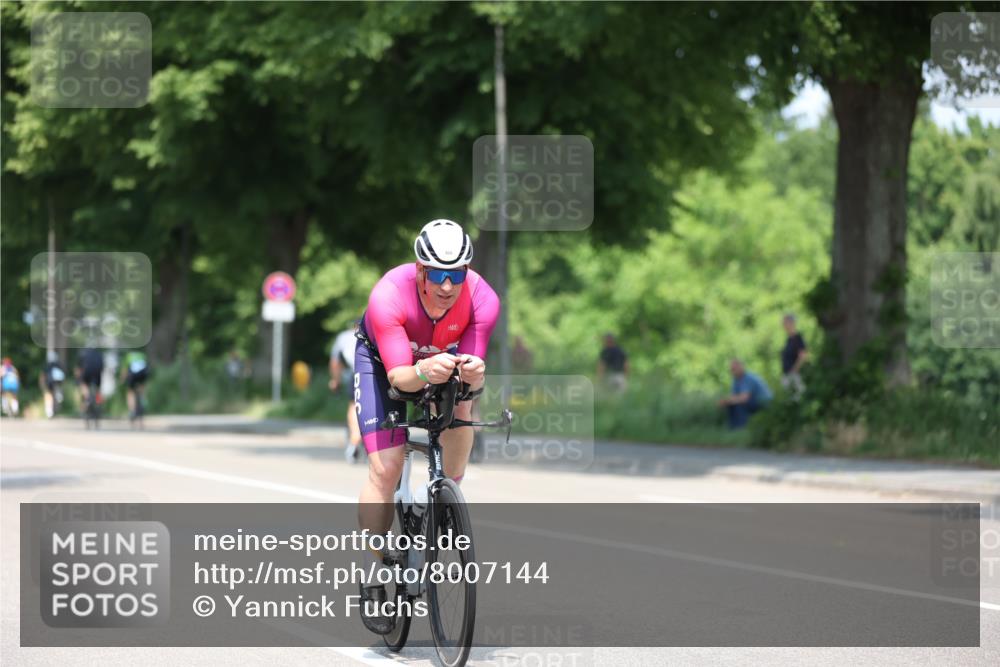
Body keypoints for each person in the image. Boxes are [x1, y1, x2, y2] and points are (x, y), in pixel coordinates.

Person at [354, 219, 499, 634]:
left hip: (437, 363)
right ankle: (375, 572)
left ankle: (437, 495)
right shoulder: (389, 295)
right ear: (420, 269)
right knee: (385, 468)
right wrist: (422, 368)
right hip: (386, 366)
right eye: (438, 274)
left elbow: (474, 377)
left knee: (463, 411)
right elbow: (400, 378)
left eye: (457, 274)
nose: (448, 285)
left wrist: (474, 373)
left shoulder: (483, 301)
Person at [329, 322, 362, 463]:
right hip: (380, 373)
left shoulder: (344, 337)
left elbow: (335, 362)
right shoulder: (376, 331)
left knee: (354, 406)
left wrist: (335, 380)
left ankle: (354, 440)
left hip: (357, 374)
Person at [718, 358, 773, 429]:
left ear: (741, 367)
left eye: (734, 369)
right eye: (731, 369)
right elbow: (733, 397)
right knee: (731, 405)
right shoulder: (736, 380)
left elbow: (744, 398)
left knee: (740, 404)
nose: (732, 371)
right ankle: (732, 429)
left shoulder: (748, 378)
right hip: (752, 401)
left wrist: (728, 401)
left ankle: (742, 428)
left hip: (764, 402)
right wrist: (725, 401)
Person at [780, 313, 808, 398]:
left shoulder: (798, 338)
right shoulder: (789, 339)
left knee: (798, 397)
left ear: (791, 323)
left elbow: (803, 356)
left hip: (794, 375)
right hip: (787, 374)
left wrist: (794, 370)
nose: (783, 325)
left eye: (785, 322)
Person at [120, 350, 150, 421]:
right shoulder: (142, 355)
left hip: (133, 375)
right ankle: (143, 400)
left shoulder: (128, 356)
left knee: (130, 392)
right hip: (143, 374)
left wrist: (122, 380)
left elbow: (125, 370)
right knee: (142, 387)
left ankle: (132, 411)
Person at [39, 351, 67, 418]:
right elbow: (63, 374)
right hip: (58, 382)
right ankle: (59, 395)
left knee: (49, 394)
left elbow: (43, 375)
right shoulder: (59, 364)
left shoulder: (47, 365)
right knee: (56, 392)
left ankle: (49, 411)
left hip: (49, 381)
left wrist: (42, 383)